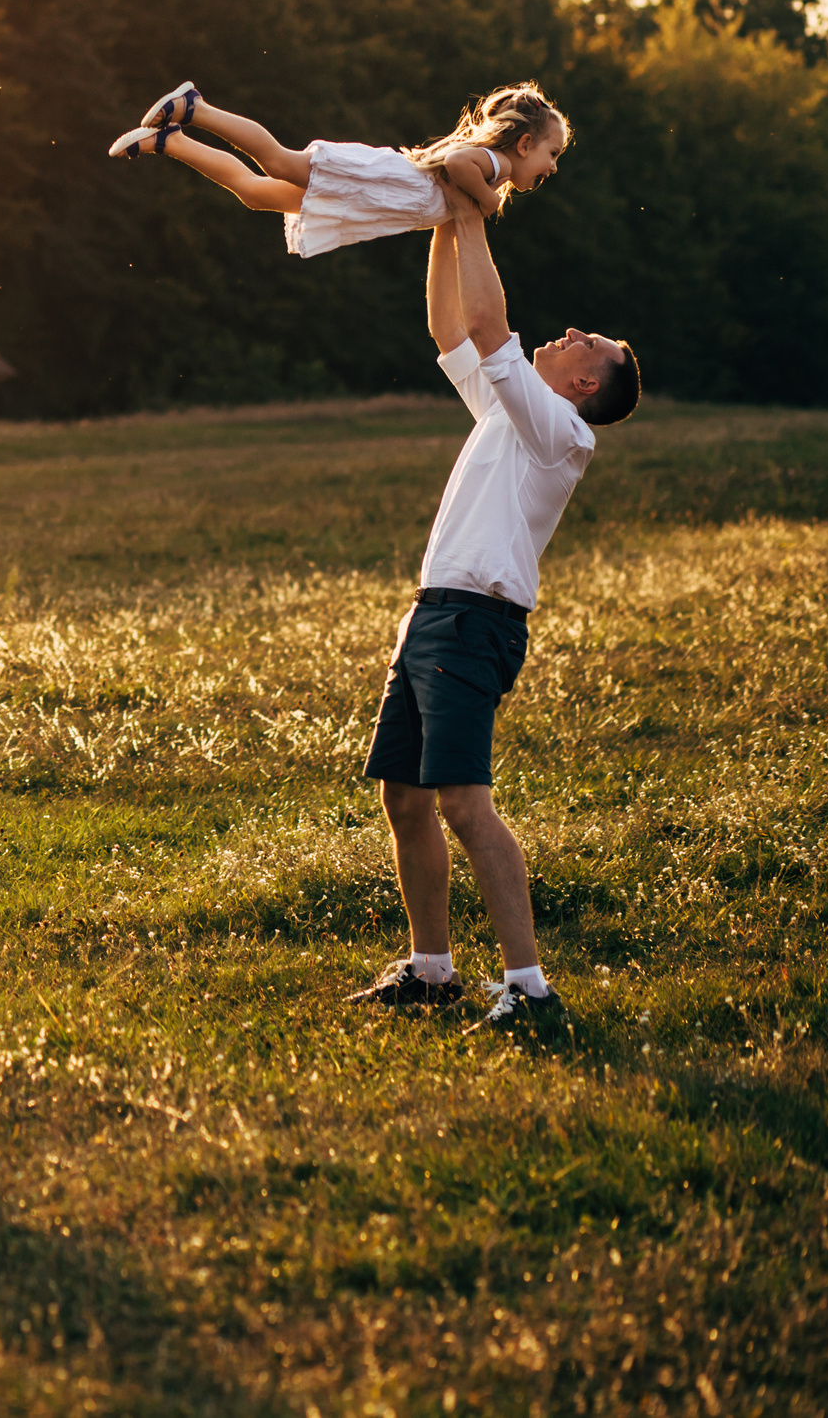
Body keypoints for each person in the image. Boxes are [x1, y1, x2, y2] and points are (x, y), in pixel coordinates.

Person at [351, 207, 639, 1035]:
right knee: (404, 797)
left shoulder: (559, 431)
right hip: (430, 618)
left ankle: (531, 987)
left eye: (592, 342)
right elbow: (451, 327)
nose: (576, 331)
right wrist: (445, 220)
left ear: (587, 384)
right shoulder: (507, 408)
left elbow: (488, 321)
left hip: (475, 624)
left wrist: (475, 205)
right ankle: (432, 970)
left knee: (465, 806)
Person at [106, 81, 569, 258]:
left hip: (369, 201)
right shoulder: (496, 164)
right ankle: (196, 108)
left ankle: (169, 141)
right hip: (378, 183)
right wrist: (488, 201)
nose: (552, 167)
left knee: (255, 193)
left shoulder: (499, 168)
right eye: (552, 154)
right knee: (279, 161)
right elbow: (454, 161)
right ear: (525, 143)